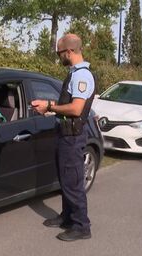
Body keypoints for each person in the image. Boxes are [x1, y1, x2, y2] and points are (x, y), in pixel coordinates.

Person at [31, 34, 95, 242]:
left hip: (73, 136)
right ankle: (68, 217)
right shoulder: (74, 74)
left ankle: (81, 225)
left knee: (73, 181)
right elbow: (67, 106)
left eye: (60, 53)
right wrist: (50, 109)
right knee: (66, 180)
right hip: (65, 133)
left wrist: (49, 106)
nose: (59, 57)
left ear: (69, 52)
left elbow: (76, 108)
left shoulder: (82, 76)